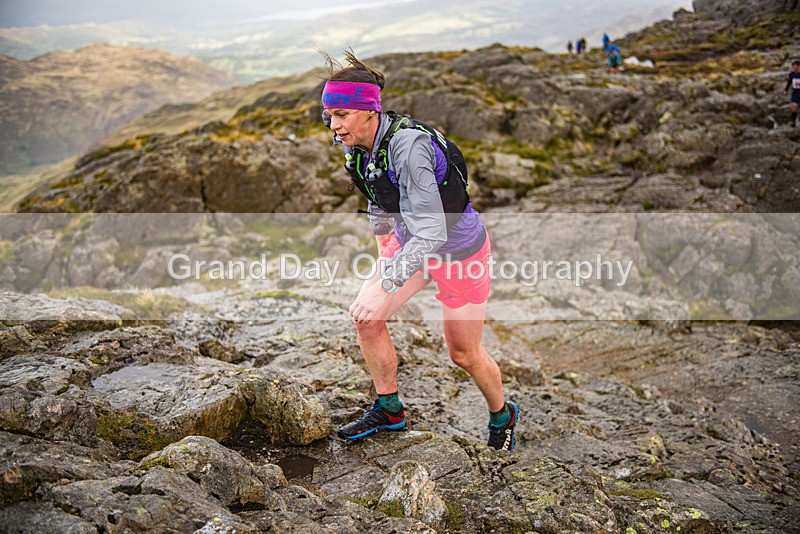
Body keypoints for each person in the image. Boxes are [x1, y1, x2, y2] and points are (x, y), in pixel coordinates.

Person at [320, 51, 520, 452]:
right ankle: (390, 410)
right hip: (412, 243)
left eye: (341, 114)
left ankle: (503, 414)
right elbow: (378, 197)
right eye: (329, 115)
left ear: (369, 111)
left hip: (460, 253)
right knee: (367, 318)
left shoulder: (409, 148)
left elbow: (432, 229)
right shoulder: (356, 146)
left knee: (463, 353)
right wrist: (385, 259)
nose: (334, 126)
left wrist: (388, 279)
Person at [785, 60, 800, 128]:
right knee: (793, 106)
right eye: (793, 67)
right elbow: (789, 81)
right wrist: (786, 90)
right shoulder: (792, 74)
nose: (794, 69)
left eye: (796, 67)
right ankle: (793, 121)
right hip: (795, 92)